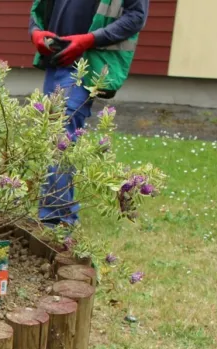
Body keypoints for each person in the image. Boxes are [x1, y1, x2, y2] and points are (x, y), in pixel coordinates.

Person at [30, 0, 148, 225]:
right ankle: (61, 214)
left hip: (89, 61)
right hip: (56, 57)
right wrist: (35, 32)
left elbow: (135, 16)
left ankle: (56, 223)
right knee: (52, 137)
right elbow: (38, 8)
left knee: (60, 136)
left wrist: (89, 40)